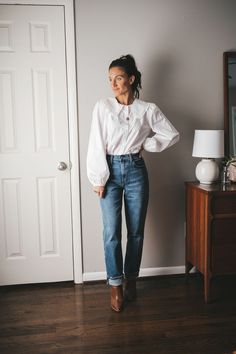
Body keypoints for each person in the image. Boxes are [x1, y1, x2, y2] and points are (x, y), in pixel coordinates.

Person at [87, 54, 179, 312]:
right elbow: (96, 142)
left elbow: (171, 134)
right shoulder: (103, 107)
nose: (113, 84)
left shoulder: (147, 109)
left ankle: (132, 280)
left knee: (136, 230)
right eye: (110, 79)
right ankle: (115, 285)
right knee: (112, 232)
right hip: (110, 170)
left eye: (118, 78)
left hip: (137, 169)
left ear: (131, 78)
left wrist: (146, 144)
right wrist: (98, 178)